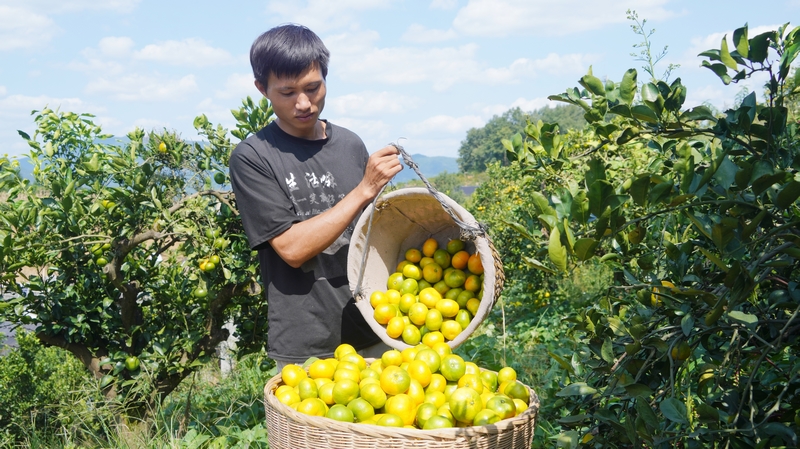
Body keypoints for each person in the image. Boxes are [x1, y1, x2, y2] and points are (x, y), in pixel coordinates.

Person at [229, 24, 402, 369]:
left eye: (313, 87)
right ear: (262, 89)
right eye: (287, 92)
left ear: (326, 77)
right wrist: (363, 191)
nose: (305, 103)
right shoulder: (253, 157)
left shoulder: (350, 144)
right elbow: (292, 249)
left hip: (375, 325)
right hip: (308, 345)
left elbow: (373, 230)